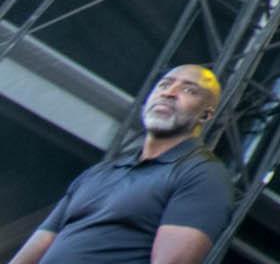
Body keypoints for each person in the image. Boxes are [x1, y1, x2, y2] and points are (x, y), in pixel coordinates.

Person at [9, 64, 234, 264]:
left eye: (188, 90)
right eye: (164, 85)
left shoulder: (203, 174)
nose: (169, 93)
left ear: (205, 115)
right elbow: (36, 247)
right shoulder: (99, 173)